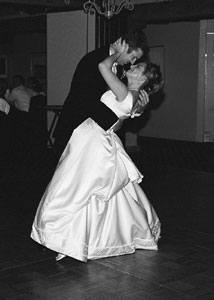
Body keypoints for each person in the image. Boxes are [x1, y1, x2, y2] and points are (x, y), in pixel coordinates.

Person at [31, 40, 163, 262]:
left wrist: (115, 56)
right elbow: (118, 107)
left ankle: (64, 236)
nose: (132, 65)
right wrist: (138, 107)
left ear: (142, 79)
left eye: (137, 66)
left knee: (75, 186)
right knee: (88, 188)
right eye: (133, 59)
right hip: (88, 133)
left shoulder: (124, 88)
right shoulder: (124, 87)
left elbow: (105, 71)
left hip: (92, 138)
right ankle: (83, 237)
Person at [51, 29, 149, 167]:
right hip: (75, 130)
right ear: (124, 47)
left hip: (98, 137)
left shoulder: (123, 69)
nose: (132, 62)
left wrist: (138, 109)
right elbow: (86, 99)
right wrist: (115, 123)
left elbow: (124, 101)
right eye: (133, 57)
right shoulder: (92, 60)